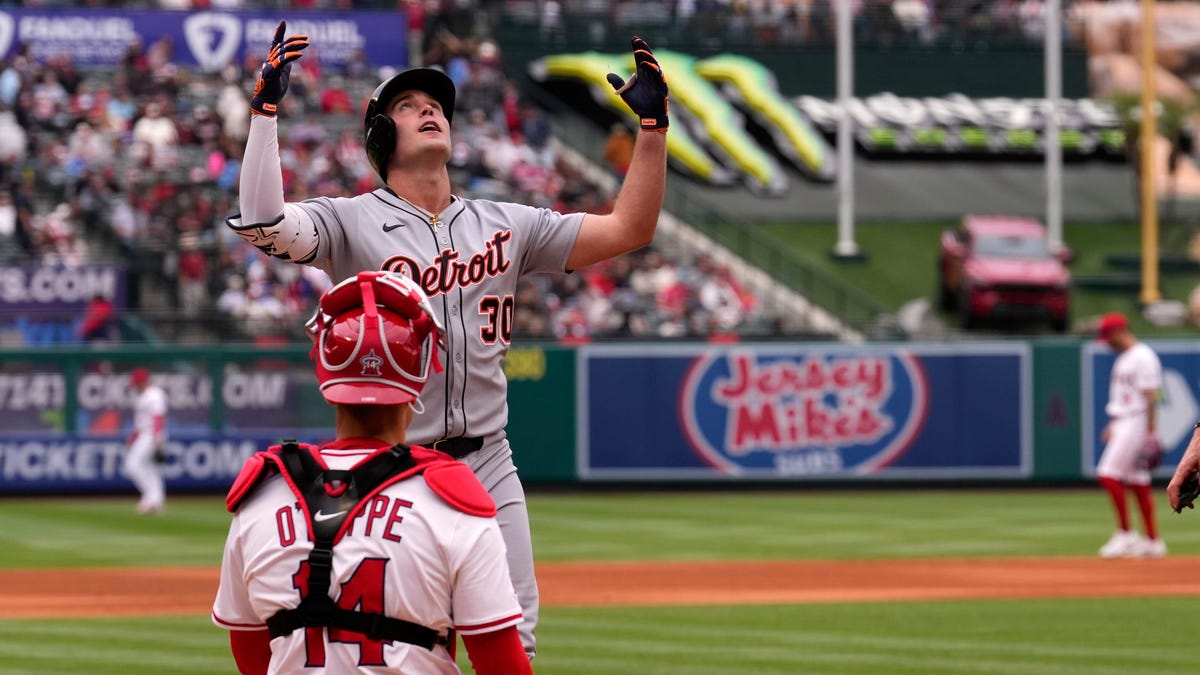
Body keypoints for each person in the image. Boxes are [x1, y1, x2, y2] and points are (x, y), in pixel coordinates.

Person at [226, 22, 669, 657]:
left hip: (489, 460)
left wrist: (651, 134)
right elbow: (264, 221)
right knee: (409, 650)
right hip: (395, 468)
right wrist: (264, 114)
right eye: (408, 106)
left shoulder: (505, 223)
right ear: (382, 135)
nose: (429, 109)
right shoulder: (349, 221)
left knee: (512, 646)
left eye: (435, 104)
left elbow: (629, 227)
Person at [212, 271, 531, 675]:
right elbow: (501, 663)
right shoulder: (454, 505)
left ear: (326, 374)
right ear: (419, 376)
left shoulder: (261, 499)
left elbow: (252, 654)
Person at [1094, 311, 1166, 558]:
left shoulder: (1143, 356)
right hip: (1124, 419)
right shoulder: (1124, 358)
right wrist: (1113, 424)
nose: (1107, 343)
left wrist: (1151, 431)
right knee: (1137, 479)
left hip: (1136, 419)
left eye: (1108, 337)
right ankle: (1153, 540)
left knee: (1108, 473)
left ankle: (1125, 533)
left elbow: (1152, 396)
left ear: (1118, 332)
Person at [125, 366, 167, 514]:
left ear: (143, 381)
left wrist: (157, 439)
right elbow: (140, 422)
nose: (135, 385)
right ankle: (156, 500)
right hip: (144, 434)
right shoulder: (142, 396)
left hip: (152, 435)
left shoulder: (155, 394)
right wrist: (132, 439)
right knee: (149, 468)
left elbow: (158, 417)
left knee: (133, 464)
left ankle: (151, 498)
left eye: (137, 382)